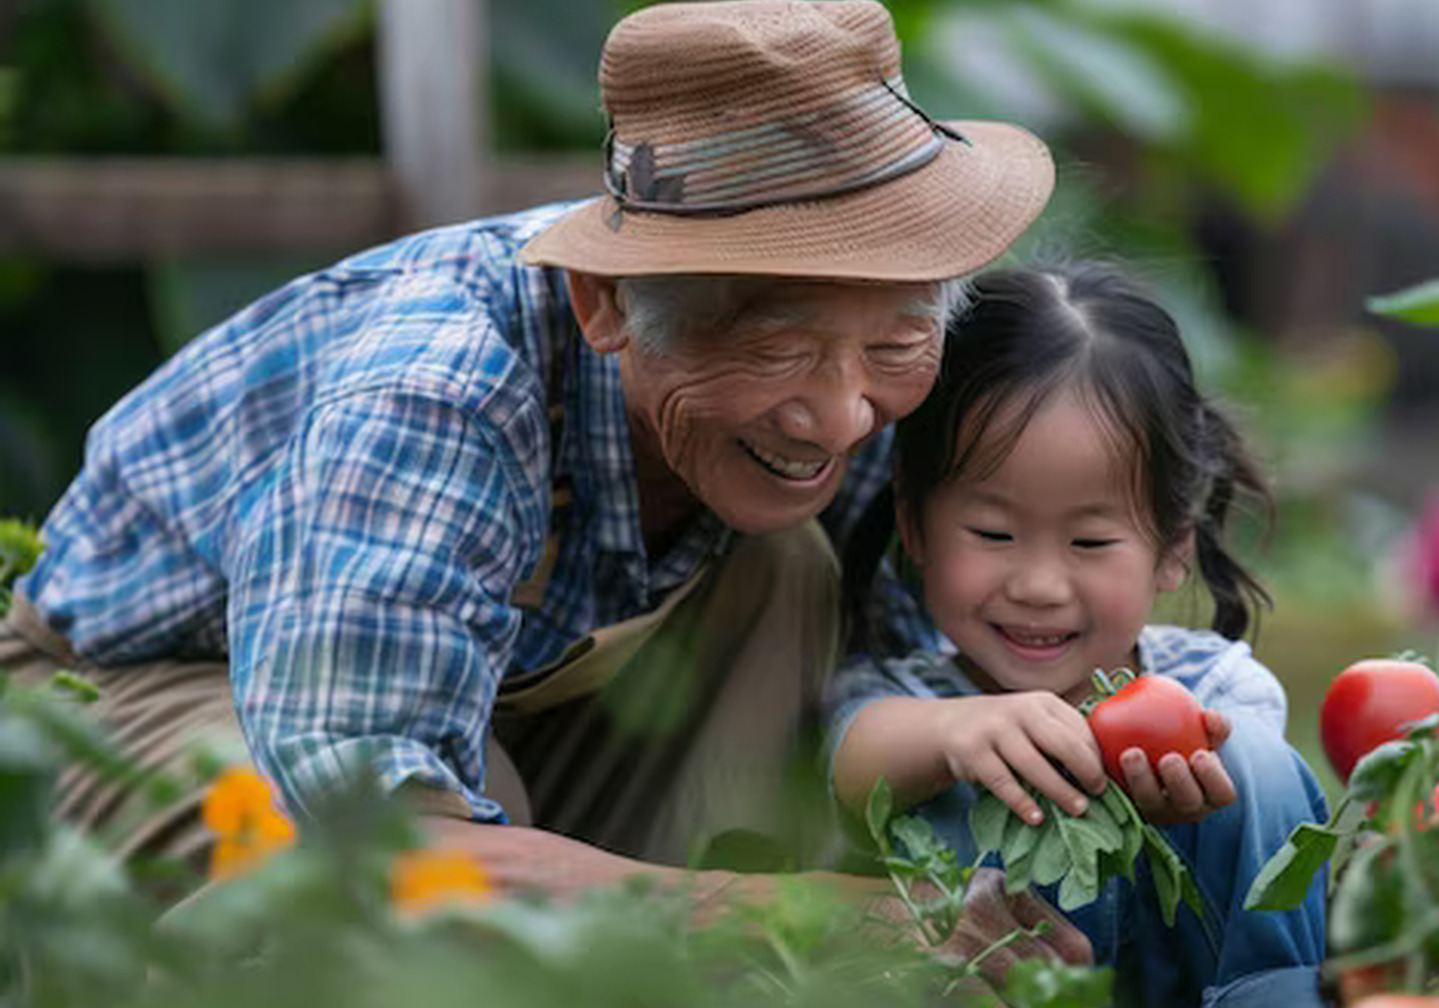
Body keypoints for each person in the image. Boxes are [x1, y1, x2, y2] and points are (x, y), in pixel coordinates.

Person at [0, 0, 1089, 978]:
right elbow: (392, 846)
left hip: (496, 698)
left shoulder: (864, 402)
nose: (844, 414)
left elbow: (914, 668)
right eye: (775, 344)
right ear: (606, 305)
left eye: (896, 339)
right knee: (443, 883)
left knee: (786, 568)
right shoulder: (435, 395)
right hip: (131, 692)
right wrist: (794, 912)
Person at [826, 263, 1330, 1006]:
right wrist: (961, 730)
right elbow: (849, 758)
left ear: (1171, 548)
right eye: (993, 532)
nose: (1038, 585)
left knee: (1252, 760)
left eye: (1090, 543)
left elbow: (1256, 805)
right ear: (914, 525)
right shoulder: (912, 694)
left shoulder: (1213, 687)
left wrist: (1180, 783)